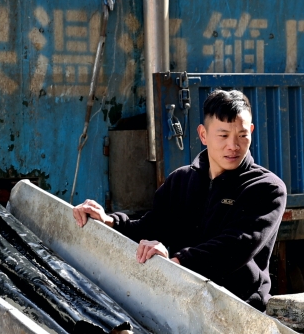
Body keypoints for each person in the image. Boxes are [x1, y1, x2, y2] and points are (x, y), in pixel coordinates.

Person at [72, 90, 287, 312]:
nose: (233, 145)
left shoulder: (267, 188)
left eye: (242, 135)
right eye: (223, 135)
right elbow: (151, 227)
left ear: (251, 131)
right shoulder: (181, 180)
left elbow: (235, 246)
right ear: (203, 135)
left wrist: (176, 263)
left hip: (236, 309)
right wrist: (110, 221)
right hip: (181, 302)